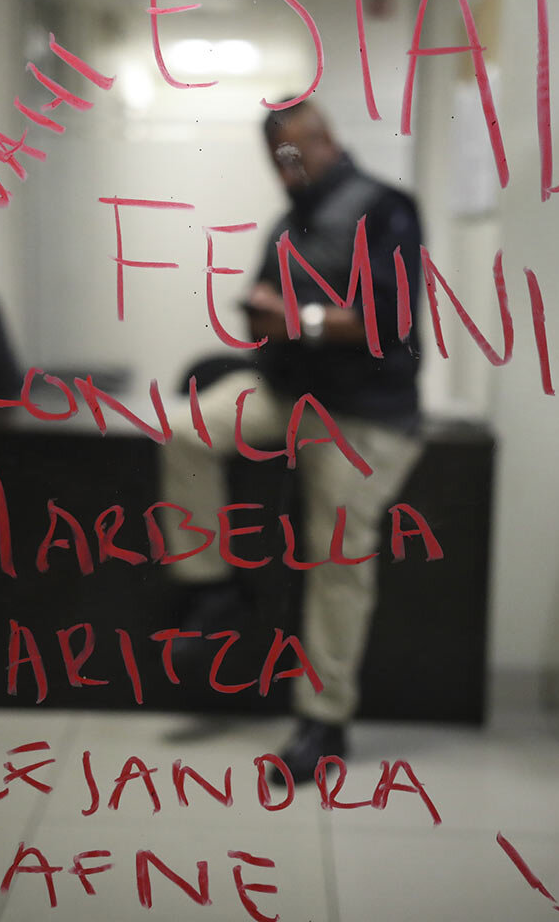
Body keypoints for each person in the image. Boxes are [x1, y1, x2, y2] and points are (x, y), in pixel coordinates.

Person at [160, 99, 424, 777]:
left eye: (297, 149)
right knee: (185, 428)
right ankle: (211, 587)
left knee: (338, 555)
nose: (287, 165)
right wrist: (260, 317)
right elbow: (266, 310)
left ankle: (324, 721)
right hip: (285, 393)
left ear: (328, 138)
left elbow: (383, 323)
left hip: (362, 409)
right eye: (276, 155)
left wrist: (298, 320)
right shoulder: (287, 222)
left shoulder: (386, 208)